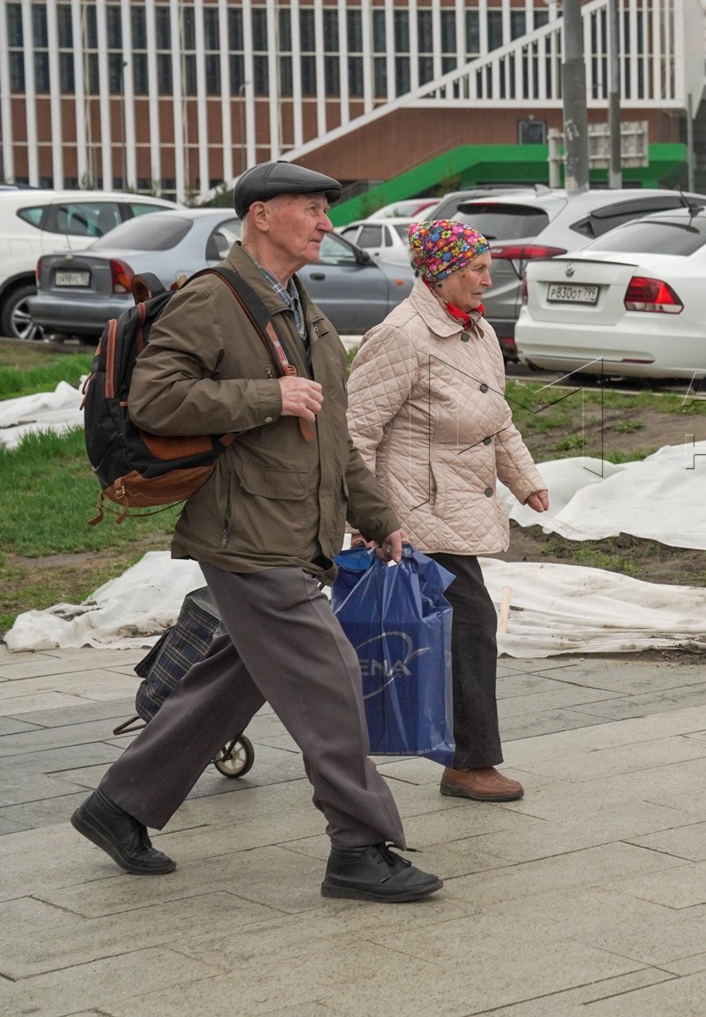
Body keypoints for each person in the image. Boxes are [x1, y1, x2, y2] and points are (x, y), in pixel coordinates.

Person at [70, 160, 442, 902]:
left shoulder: (304, 309)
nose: (325, 223)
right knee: (330, 677)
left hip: (292, 532)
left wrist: (376, 516)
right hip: (245, 537)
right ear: (261, 215)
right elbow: (156, 399)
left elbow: (330, 434)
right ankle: (358, 847)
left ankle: (120, 806)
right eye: (310, 208)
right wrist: (265, 396)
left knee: (230, 683)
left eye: (325, 210)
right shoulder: (214, 300)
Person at [347, 218, 549, 802]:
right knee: (473, 624)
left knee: (464, 625)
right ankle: (468, 763)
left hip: (454, 505)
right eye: (477, 269)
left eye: (488, 267)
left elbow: (498, 418)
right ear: (440, 275)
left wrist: (526, 479)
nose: (490, 279)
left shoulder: (476, 332)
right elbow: (357, 432)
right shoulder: (402, 336)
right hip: (415, 512)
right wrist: (371, 519)